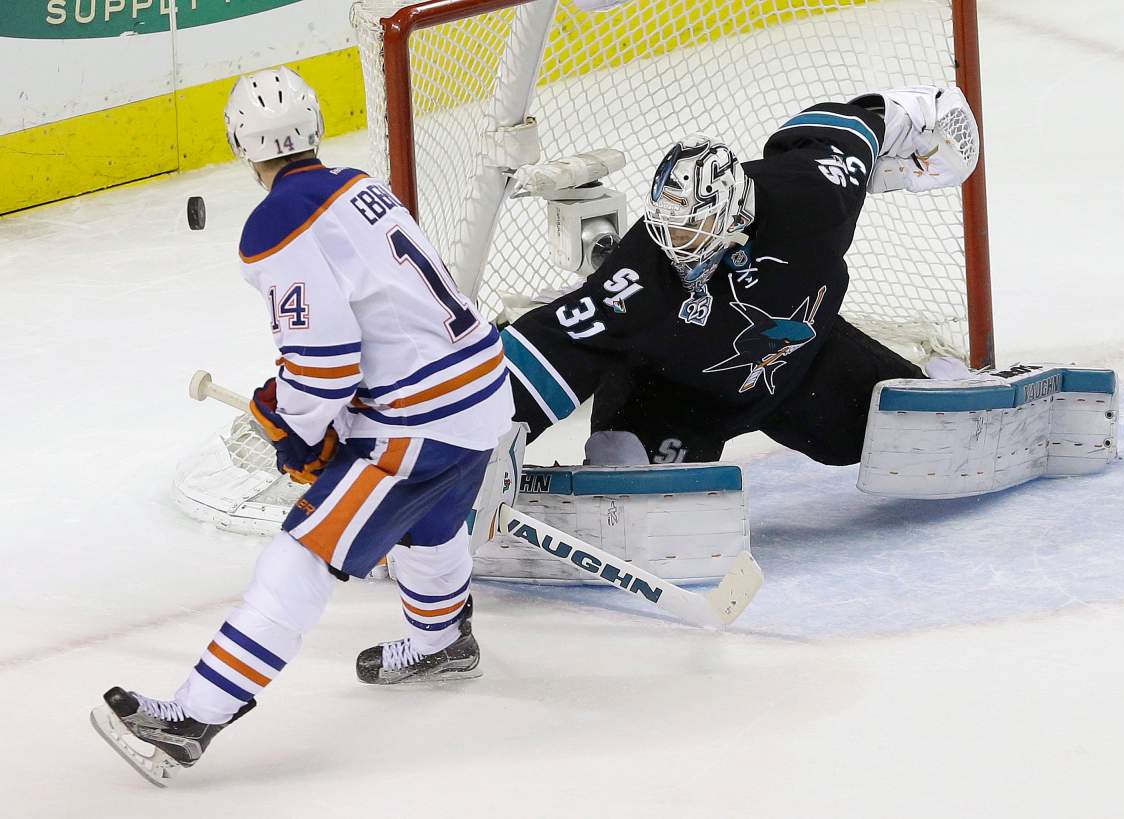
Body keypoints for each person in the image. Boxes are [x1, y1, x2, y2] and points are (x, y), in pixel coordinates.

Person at [90, 67, 514, 786]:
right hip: (481, 391)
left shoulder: (276, 221)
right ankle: (443, 639)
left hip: (418, 422)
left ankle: (192, 719)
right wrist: (311, 417)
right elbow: (384, 329)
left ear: (240, 145)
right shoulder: (359, 186)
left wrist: (291, 426)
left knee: (304, 552)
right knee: (428, 525)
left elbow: (324, 364)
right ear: (314, 129)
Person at [501, 87, 978, 465]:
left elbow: (844, 132)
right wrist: (477, 432)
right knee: (625, 463)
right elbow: (558, 342)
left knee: (907, 433)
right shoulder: (641, 271)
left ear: (735, 214)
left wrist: (916, 116)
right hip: (678, 395)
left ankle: (945, 382)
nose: (678, 245)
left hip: (805, 361)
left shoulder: (808, 198)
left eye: (694, 229)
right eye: (669, 227)